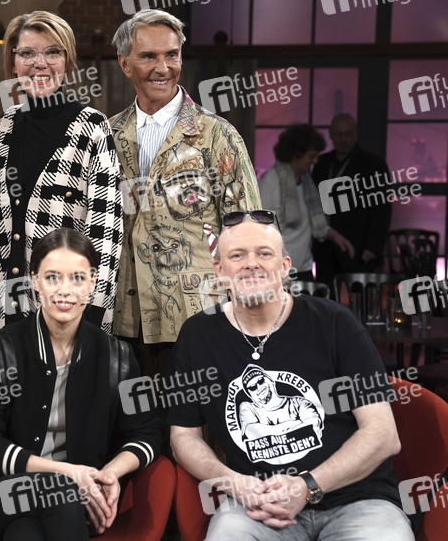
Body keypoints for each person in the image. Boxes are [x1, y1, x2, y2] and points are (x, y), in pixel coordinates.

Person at [168, 210, 413, 541]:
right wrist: (234, 483)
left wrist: (307, 486)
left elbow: (384, 433)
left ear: (285, 266)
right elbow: (183, 436)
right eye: (237, 256)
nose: (251, 264)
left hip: (356, 499)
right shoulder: (197, 335)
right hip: (255, 505)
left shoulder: (335, 323)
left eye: (264, 253)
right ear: (219, 272)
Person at [0, 228, 164, 541]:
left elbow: (147, 434)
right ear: (35, 281)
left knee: (25, 535)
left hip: (75, 498)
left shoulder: (118, 356)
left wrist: (107, 476)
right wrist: (69, 474)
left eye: (77, 278)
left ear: (92, 282)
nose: (65, 290)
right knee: (58, 492)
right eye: (52, 277)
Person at [109, 8, 261, 372]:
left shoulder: (218, 136)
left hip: (198, 318)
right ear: (125, 64)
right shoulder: (106, 134)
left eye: (171, 55)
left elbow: (249, 233)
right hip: (121, 318)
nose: (162, 68)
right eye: (148, 56)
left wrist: (252, 315)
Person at [0, 10, 122, 334]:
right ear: (13, 64)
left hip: (69, 309)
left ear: (67, 62)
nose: (40, 63)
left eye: (52, 52)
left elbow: (106, 232)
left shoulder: (91, 126)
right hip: (12, 303)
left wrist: (91, 319)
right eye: (27, 53)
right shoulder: (6, 126)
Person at [259, 124, 354, 281]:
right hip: (278, 271)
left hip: (304, 268)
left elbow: (315, 224)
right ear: (296, 155)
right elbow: (259, 229)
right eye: (311, 156)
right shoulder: (271, 182)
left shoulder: (306, 182)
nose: (315, 160)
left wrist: (335, 236)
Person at [311, 114, 392, 286]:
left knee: (359, 295)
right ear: (330, 135)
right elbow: (312, 202)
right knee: (325, 294)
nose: (343, 139)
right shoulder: (321, 163)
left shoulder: (373, 165)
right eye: (338, 134)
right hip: (326, 245)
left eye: (347, 134)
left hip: (358, 245)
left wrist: (373, 246)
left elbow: (382, 210)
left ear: (356, 134)